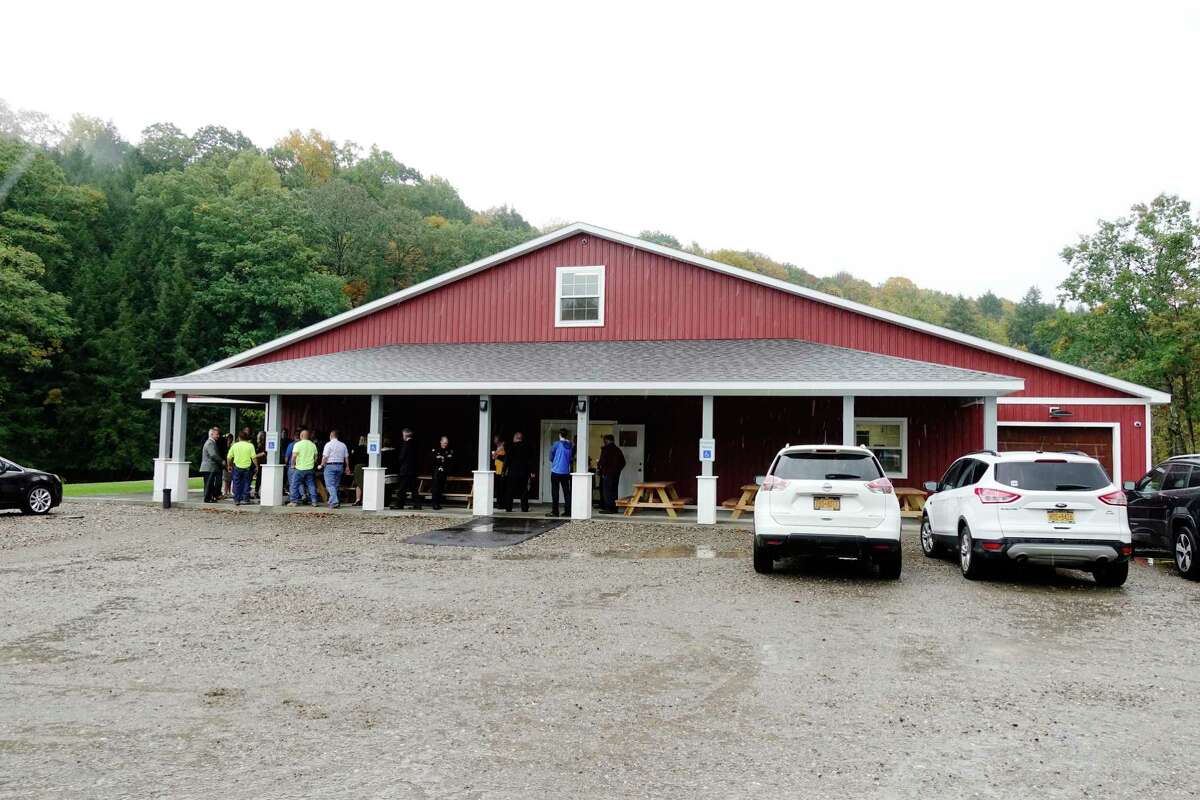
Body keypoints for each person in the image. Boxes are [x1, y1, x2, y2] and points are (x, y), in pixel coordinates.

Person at [390, 428, 421, 510]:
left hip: (406, 470)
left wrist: (399, 462)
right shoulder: (415, 444)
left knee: (402, 489)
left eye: (403, 435)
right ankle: (417, 504)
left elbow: (402, 457)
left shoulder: (406, 444)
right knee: (414, 489)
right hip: (414, 470)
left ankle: (399, 504)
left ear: (405, 435)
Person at [503, 431, 534, 512]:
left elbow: (507, 460)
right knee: (524, 490)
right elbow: (530, 460)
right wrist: (531, 471)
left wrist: (503, 470)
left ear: (516, 438)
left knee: (510, 490)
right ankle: (524, 508)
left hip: (513, 472)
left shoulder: (511, 447)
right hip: (524, 472)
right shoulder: (527, 447)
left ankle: (509, 507)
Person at [288, 428, 320, 507]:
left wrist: (292, 465)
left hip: (299, 469)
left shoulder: (297, 444)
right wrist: (312, 462)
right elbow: (316, 457)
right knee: (311, 485)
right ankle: (314, 501)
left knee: (294, 485)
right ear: (308, 436)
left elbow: (294, 456)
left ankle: (293, 502)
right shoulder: (313, 445)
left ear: (301, 436)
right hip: (310, 468)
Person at [319, 429, 350, 509]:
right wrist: (347, 467)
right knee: (335, 485)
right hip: (340, 466)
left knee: (329, 485)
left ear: (331, 435)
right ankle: (331, 501)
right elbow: (346, 457)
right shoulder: (343, 445)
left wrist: (321, 465)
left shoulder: (328, 444)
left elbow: (325, 456)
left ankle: (335, 501)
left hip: (330, 466)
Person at [597, 433, 626, 513]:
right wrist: (618, 470)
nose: (603, 441)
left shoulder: (606, 449)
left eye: (604, 440)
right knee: (614, 490)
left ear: (607, 440)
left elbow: (603, 461)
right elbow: (623, 462)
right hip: (616, 474)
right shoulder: (617, 450)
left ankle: (608, 508)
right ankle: (614, 508)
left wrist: (600, 468)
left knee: (607, 491)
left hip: (607, 473)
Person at [227, 431, 257, 506]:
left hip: (237, 467)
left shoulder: (235, 445)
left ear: (239, 438)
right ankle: (246, 499)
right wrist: (257, 466)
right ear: (246, 437)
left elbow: (229, 457)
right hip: (247, 467)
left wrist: (229, 465)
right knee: (247, 483)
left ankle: (237, 500)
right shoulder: (250, 446)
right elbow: (254, 458)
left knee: (236, 483)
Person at [548, 427, 573, 517]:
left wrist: (555, 461)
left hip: (556, 471)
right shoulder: (570, 445)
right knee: (567, 492)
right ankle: (568, 511)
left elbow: (550, 457)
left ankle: (555, 512)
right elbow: (570, 458)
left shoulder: (556, 444)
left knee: (555, 492)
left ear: (559, 435)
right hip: (565, 472)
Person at [200, 427, 223, 503]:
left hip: (209, 467)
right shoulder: (210, 443)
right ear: (211, 434)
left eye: (218, 434)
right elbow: (213, 455)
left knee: (209, 483)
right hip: (208, 467)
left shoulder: (212, 442)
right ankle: (207, 498)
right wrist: (221, 461)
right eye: (216, 434)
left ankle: (209, 497)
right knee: (209, 483)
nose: (218, 436)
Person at [431, 436, 454, 509]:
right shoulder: (435, 450)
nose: (445, 444)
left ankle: (438, 503)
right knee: (435, 488)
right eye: (444, 443)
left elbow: (450, 462)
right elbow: (432, 461)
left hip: (444, 472)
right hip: (436, 472)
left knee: (441, 488)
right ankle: (435, 504)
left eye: (446, 443)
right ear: (440, 442)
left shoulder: (449, 451)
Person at [352, 435, 368, 506]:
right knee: (365, 483)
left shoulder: (356, 448)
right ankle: (364, 500)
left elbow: (353, 458)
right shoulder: (368, 449)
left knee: (358, 484)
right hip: (367, 466)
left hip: (358, 466)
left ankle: (358, 499)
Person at [491, 435, 507, 508]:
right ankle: (498, 502)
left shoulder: (502, 448)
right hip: (497, 469)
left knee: (501, 488)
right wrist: (495, 455)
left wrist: (496, 455)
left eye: (495, 438)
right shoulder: (497, 448)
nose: (494, 440)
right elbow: (494, 457)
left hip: (501, 470)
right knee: (498, 487)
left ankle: (502, 503)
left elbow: (502, 457)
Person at [252, 431, 267, 500]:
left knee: (262, 479)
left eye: (264, 436)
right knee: (259, 478)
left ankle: (262, 493)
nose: (263, 437)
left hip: (264, 462)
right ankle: (256, 492)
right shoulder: (256, 444)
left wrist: (254, 456)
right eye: (261, 436)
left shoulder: (266, 444)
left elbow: (265, 453)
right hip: (258, 463)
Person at [219, 432, 232, 498]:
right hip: (225, 464)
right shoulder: (224, 446)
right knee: (226, 479)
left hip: (230, 464)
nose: (229, 440)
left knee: (229, 479)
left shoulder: (231, 447)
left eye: (230, 439)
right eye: (228, 438)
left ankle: (229, 492)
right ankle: (225, 492)